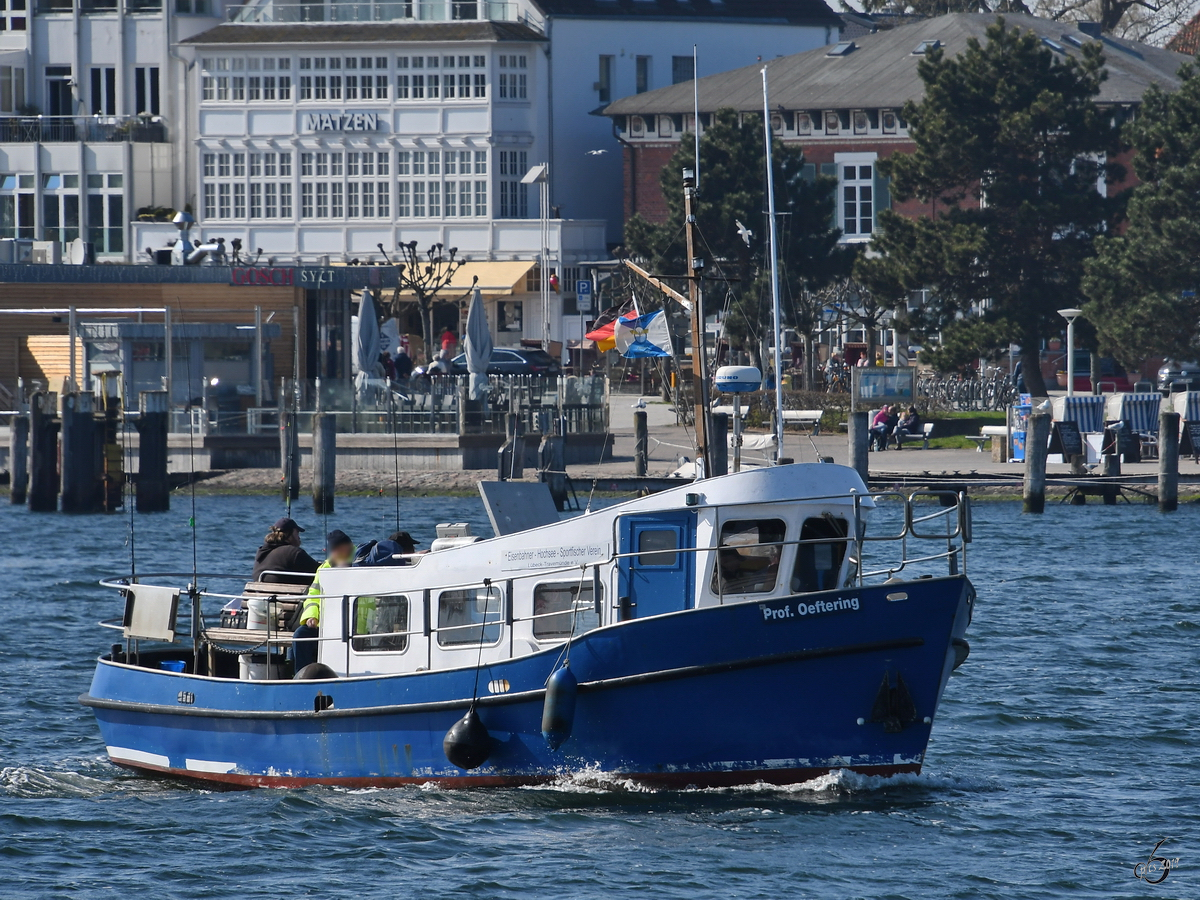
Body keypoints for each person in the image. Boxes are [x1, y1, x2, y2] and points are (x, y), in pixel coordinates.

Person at [292, 529, 355, 671]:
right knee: (300, 635)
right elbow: (313, 595)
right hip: (325, 624)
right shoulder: (325, 567)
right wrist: (312, 616)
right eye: (332, 550)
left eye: (337, 550)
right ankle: (301, 676)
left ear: (347, 547)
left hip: (355, 625)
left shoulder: (361, 562)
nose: (333, 553)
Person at [252, 517, 320, 585]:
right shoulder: (293, 552)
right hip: (285, 594)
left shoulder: (261, 552)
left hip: (259, 594)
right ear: (289, 534)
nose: (299, 537)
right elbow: (320, 571)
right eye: (297, 533)